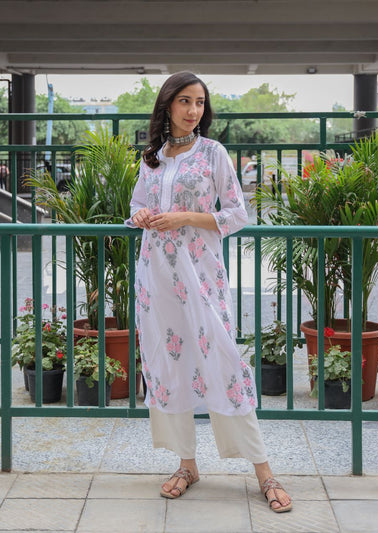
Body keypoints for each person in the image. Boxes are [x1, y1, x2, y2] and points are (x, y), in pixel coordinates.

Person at [126, 71, 292, 513]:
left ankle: (264, 470)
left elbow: (237, 213)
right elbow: (137, 203)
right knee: (169, 360)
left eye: (200, 103)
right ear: (167, 106)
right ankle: (186, 464)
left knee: (223, 359)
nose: (193, 110)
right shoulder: (153, 156)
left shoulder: (213, 153)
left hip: (201, 274)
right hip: (157, 274)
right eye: (185, 101)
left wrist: (185, 218)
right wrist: (144, 216)